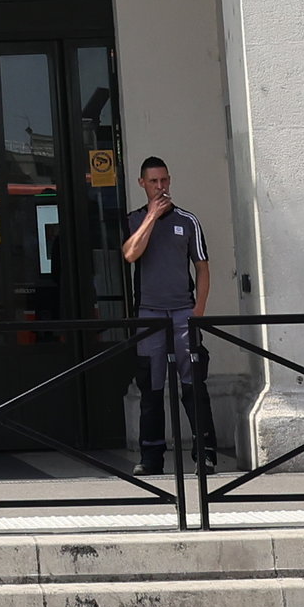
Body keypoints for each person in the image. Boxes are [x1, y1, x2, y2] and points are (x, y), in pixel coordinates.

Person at [119, 157, 219, 465]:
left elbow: (202, 267)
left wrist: (198, 309)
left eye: (164, 181)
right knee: (151, 385)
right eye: (153, 182)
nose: (160, 187)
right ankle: (151, 457)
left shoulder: (188, 221)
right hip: (149, 313)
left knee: (193, 383)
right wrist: (151, 217)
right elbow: (130, 254)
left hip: (182, 313)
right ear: (142, 184)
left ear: (170, 180)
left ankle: (205, 452)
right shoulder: (134, 219)